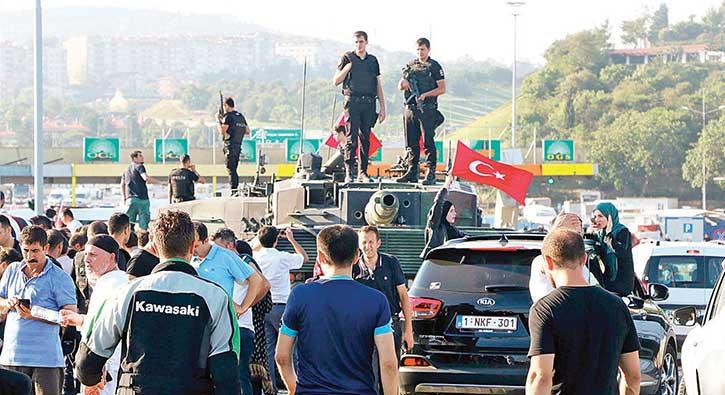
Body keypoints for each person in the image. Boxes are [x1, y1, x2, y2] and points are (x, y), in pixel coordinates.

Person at [75, 210, 241, 394]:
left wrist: (92, 379)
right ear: (193, 245)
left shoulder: (126, 293)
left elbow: (88, 362)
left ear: (154, 244)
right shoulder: (216, 297)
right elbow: (226, 370)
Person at [276, 225, 398, 395]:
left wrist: (294, 388)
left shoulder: (300, 295)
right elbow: (389, 364)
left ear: (320, 257)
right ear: (356, 256)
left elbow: (282, 357)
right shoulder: (376, 300)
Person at [526, 229, 641, 395]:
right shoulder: (617, 306)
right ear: (584, 259)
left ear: (549, 262)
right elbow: (633, 376)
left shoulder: (545, 309)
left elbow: (540, 377)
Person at [0, 225, 78, 395]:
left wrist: (34, 313)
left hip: (46, 360)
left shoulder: (59, 277)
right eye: (26, 250)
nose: (30, 256)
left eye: (35, 251)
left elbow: (70, 317)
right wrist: (7, 303)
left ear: (45, 248)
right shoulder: (12, 270)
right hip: (11, 357)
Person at [193, 223, 269, 395]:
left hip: (224, 328)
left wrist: (243, 307)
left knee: (235, 378)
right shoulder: (191, 258)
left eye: (196, 245)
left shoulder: (225, 256)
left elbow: (258, 281)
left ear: (206, 240)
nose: (193, 249)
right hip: (198, 327)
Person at [59, 235, 127, 395]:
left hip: (106, 367)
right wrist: (80, 320)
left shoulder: (115, 284)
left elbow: (108, 331)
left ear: (112, 257)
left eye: (93, 255)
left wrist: (96, 371)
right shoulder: (107, 282)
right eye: (86, 254)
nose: (87, 260)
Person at [353, 225, 412, 394]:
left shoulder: (390, 263)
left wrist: (408, 329)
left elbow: (403, 296)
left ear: (378, 243)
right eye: (364, 242)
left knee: (390, 370)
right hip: (363, 327)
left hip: (390, 325)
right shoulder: (354, 267)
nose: (367, 246)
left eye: (371, 242)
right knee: (367, 373)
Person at [254, 226, 308, 391]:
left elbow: (251, 247)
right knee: (294, 349)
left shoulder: (255, 256)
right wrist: (291, 238)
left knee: (268, 350)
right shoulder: (281, 257)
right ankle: (298, 386)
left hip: (261, 307)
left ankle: (271, 389)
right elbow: (303, 258)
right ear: (276, 241)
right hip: (281, 307)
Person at [333, 31, 386, 183]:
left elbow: (378, 85)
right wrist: (347, 68)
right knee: (351, 138)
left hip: (368, 102)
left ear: (366, 42)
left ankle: (363, 172)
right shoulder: (347, 58)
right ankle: (350, 172)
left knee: (365, 138)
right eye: (356, 42)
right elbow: (336, 80)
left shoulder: (372, 60)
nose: (358, 45)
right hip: (352, 102)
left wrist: (382, 107)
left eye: (361, 41)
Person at [396, 37, 446, 185]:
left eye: (422, 49)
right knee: (411, 142)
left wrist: (425, 95)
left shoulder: (434, 66)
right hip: (410, 108)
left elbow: (442, 89)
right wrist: (403, 84)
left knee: (428, 141)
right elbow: (400, 86)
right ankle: (412, 171)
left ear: (428, 49)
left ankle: (431, 172)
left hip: (427, 109)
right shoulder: (411, 66)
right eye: (418, 49)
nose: (420, 52)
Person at [529, 213, 599, 304]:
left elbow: (598, 292)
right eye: (568, 232)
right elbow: (547, 255)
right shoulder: (541, 261)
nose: (572, 238)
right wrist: (555, 231)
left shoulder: (582, 266)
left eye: (578, 233)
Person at [235, 240, 275, 395]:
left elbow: (265, 284)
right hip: (255, 324)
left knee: (246, 372)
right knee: (255, 368)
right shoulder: (250, 263)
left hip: (249, 324)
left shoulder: (245, 262)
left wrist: (245, 305)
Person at [591, 202, 635, 296]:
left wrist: (608, 234)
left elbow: (620, 251)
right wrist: (589, 233)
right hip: (605, 285)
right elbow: (592, 254)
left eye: (600, 216)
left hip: (621, 287)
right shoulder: (599, 234)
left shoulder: (622, 231)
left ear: (610, 217)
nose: (597, 220)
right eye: (595, 217)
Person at [420, 174, 465, 258]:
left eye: (454, 211)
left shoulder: (452, 230)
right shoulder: (435, 225)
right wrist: (446, 184)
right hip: (435, 261)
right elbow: (438, 202)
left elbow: (465, 237)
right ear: (444, 212)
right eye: (451, 211)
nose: (455, 214)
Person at [215, 97, 250, 195]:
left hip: (230, 146)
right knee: (234, 169)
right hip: (238, 146)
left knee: (231, 170)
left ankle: (234, 191)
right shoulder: (241, 116)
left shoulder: (228, 116)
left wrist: (218, 120)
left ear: (226, 106)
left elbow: (222, 131)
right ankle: (235, 189)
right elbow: (247, 131)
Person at [73, 221, 108, 314]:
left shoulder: (116, 255)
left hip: (105, 307)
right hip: (85, 308)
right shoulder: (79, 256)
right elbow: (74, 282)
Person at [121, 150, 155, 230]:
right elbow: (145, 178)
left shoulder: (126, 170)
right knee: (143, 226)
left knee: (128, 225)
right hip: (142, 199)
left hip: (130, 200)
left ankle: (129, 240)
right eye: (140, 156)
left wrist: (125, 198)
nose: (143, 157)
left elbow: (122, 184)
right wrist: (160, 182)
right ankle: (142, 240)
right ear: (134, 158)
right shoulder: (140, 166)